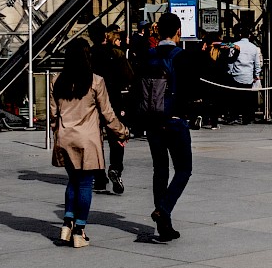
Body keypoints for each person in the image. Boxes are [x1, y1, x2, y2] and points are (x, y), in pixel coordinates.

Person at [51, 38, 129, 247]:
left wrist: (57, 134)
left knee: (72, 181)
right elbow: (107, 114)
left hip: (65, 137)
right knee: (85, 183)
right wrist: (122, 132)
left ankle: (66, 225)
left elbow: (52, 114)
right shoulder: (96, 81)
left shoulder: (57, 80)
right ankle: (79, 230)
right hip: (87, 139)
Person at [140, 12, 195, 241]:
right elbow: (190, 90)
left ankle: (165, 225)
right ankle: (164, 209)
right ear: (178, 32)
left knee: (160, 170)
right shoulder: (181, 56)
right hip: (174, 120)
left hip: (152, 120)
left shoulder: (148, 55)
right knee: (183, 169)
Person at [89, 23, 133, 194]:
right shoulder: (117, 54)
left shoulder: (89, 55)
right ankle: (116, 168)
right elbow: (129, 76)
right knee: (116, 134)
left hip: (93, 102)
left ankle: (99, 176)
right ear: (105, 36)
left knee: (95, 138)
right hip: (113, 99)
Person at [227, 25, 262, 124]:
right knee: (247, 99)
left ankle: (234, 116)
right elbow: (257, 63)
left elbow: (231, 61)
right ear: (249, 35)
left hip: (236, 74)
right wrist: (256, 74)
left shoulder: (234, 45)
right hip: (248, 76)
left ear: (240, 34)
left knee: (235, 98)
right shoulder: (254, 47)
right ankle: (247, 118)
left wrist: (230, 72)